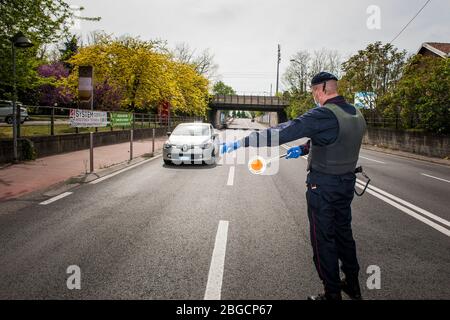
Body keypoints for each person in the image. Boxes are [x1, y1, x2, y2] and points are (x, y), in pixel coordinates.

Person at [221, 72, 367, 300]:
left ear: (320, 90)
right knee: (344, 236)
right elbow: (334, 137)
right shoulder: (355, 114)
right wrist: (304, 149)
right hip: (347, 184)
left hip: (324, 188)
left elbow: (282, 132)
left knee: (323, 241)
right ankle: (353, 286)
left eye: (313, 93)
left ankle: (331, 294)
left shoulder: (323, 114)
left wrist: (244, 141)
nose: (314, 98)